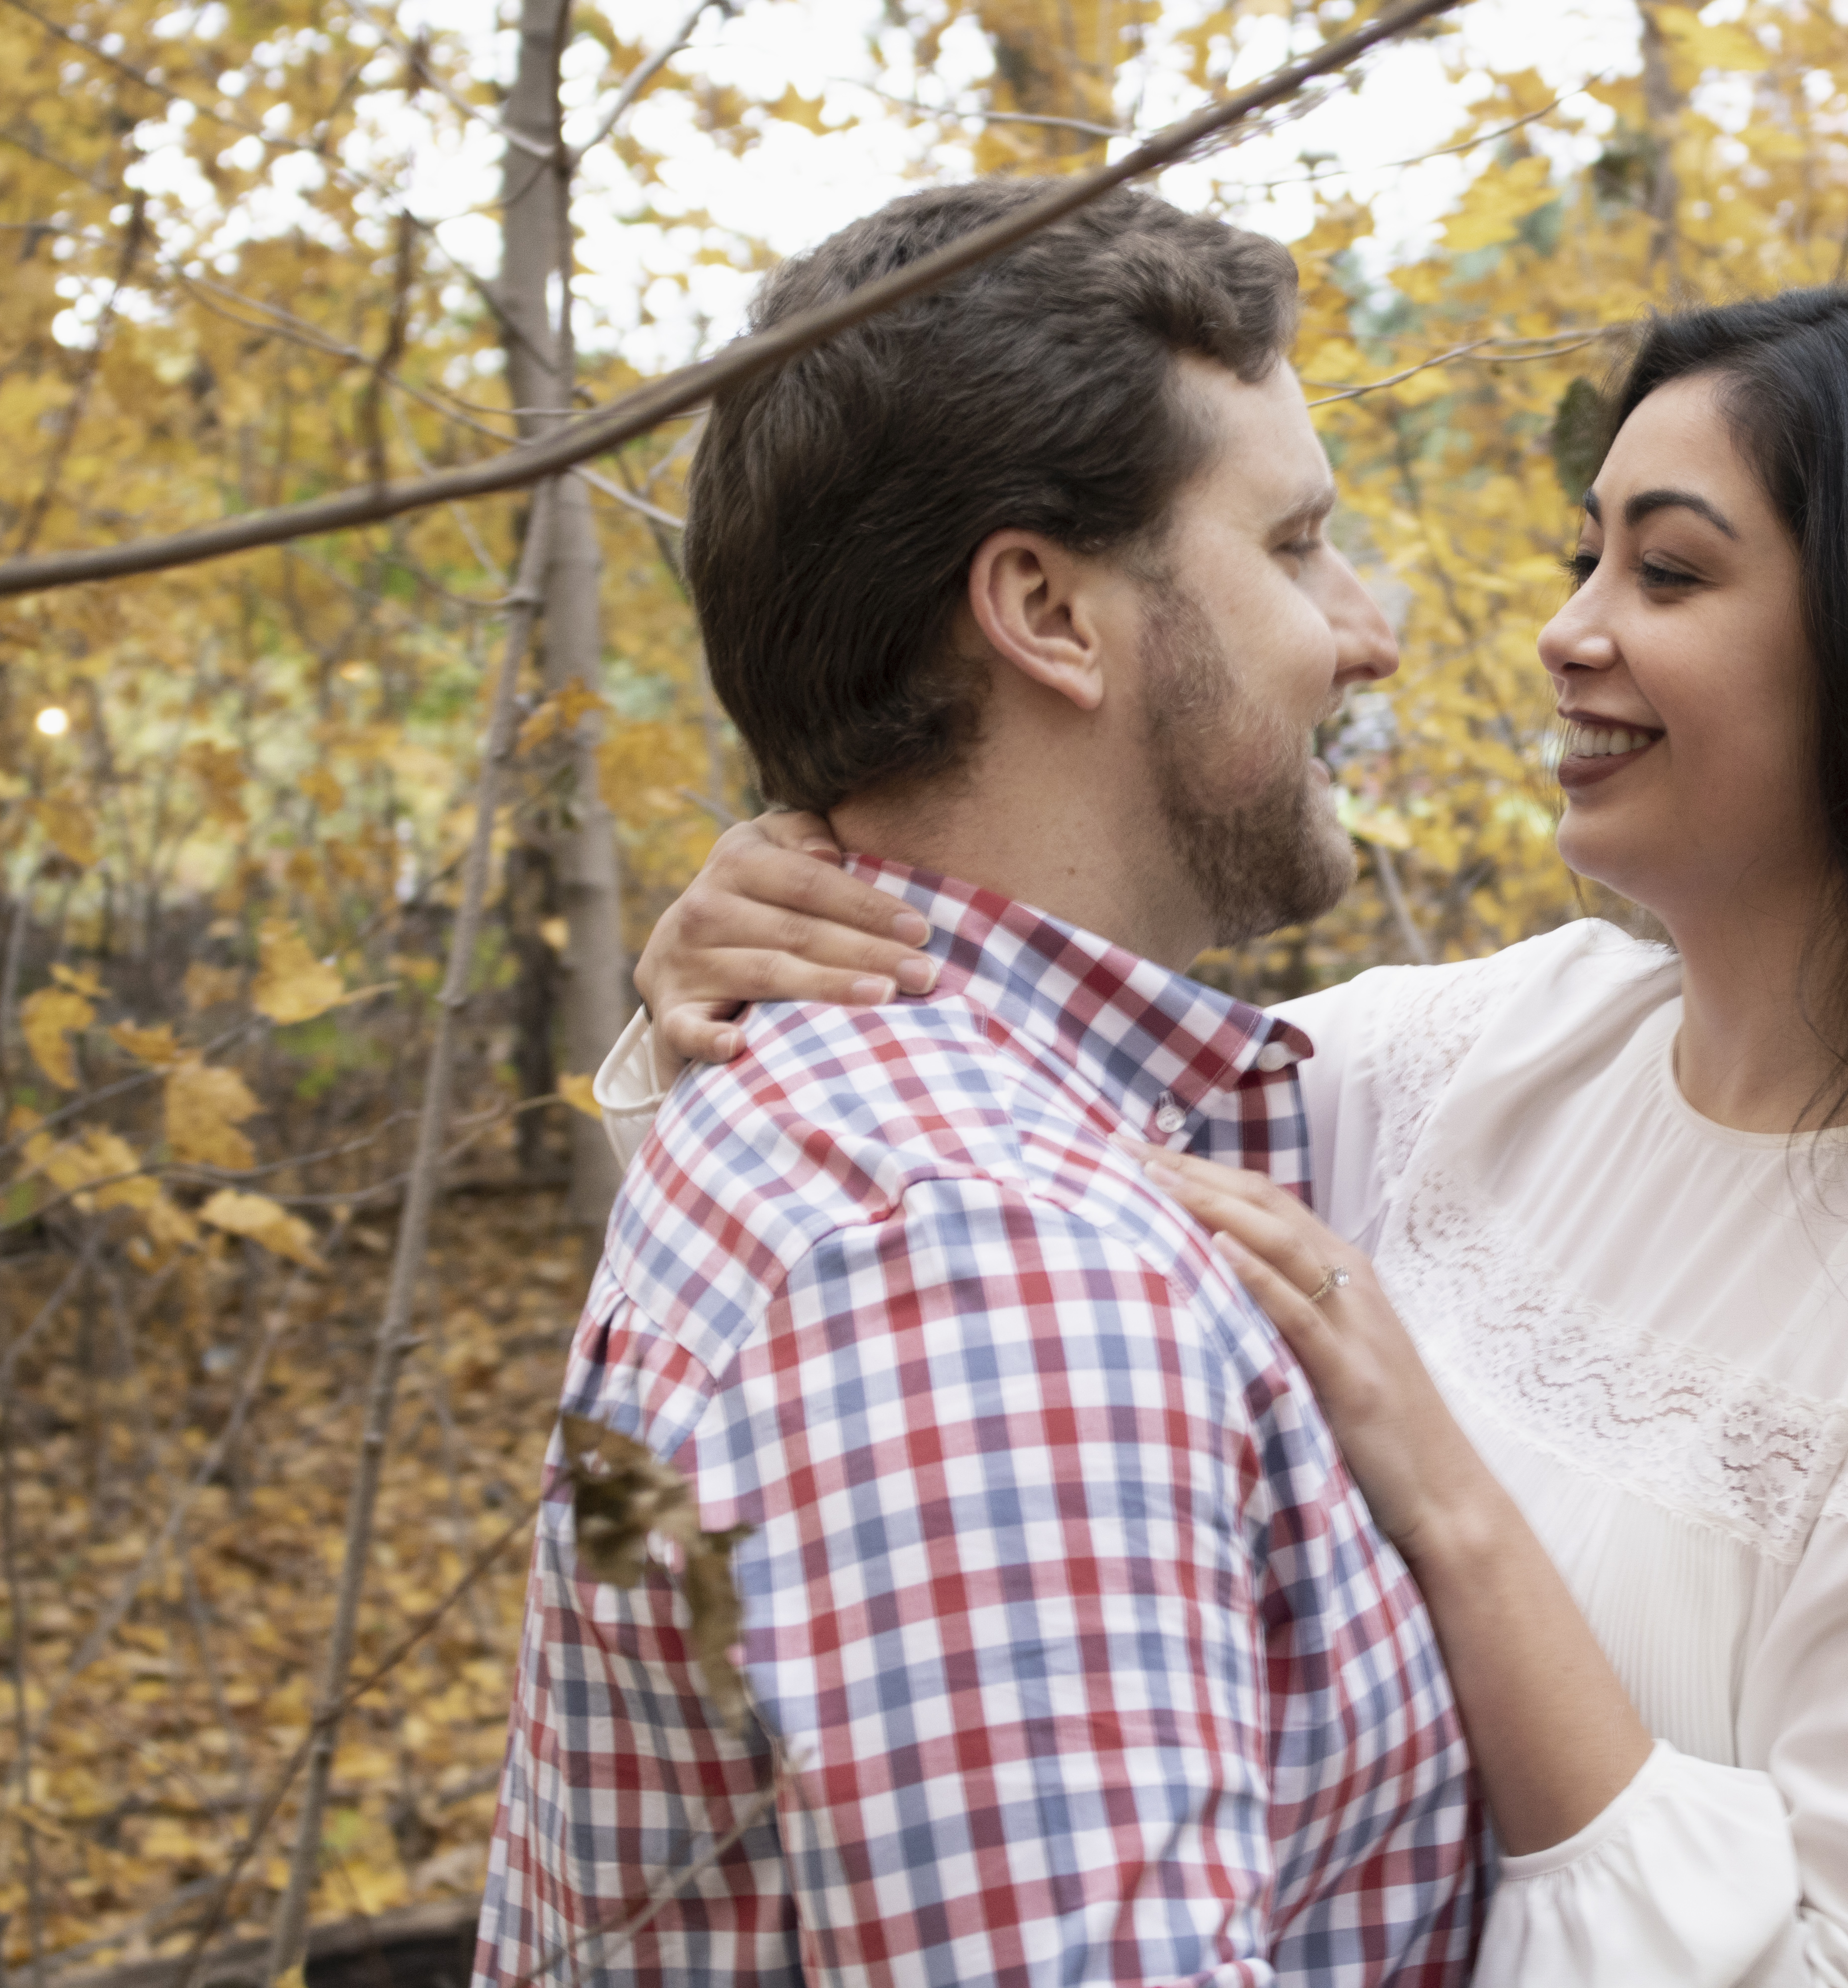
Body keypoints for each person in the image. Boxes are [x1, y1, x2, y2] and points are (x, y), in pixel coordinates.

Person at [612, 276, 1848, 1985]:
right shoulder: (1485, 1052)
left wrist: (1454, 1508)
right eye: (1586, 553)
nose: (1568, 631)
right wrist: (764, 946)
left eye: (1671, 571)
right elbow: (1001, 1136)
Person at [472, 179, 1484, 1988]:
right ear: (1045, 610)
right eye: (1296, 543)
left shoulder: (873, 1132)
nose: (1369, 624)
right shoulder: (979, 1261)